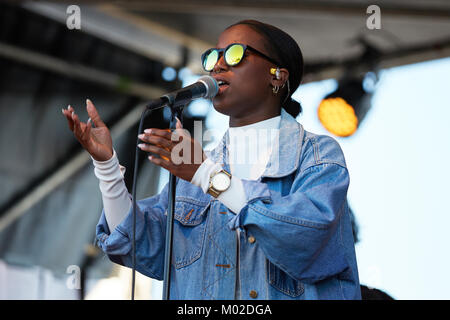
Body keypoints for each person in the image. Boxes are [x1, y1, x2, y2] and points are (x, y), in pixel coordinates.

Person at [62, 19, 361, 300]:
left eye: (234, 54)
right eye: (212, 57)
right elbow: (135, 244)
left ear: (277, 76)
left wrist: (206, 175)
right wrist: (107, 167)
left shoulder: (316, 154)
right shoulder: (196, 170)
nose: (218, 65)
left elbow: (307, 237)